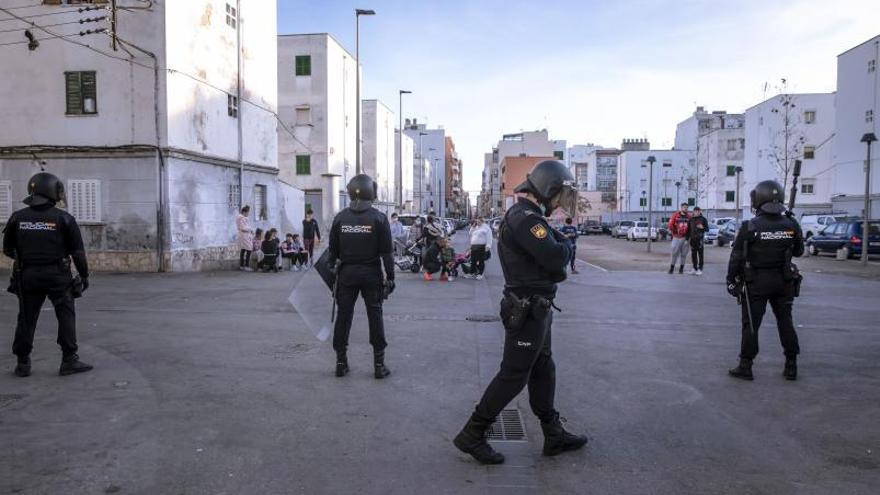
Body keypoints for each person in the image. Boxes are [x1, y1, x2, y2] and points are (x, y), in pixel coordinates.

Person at [453, 160, 587, 465]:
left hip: (536, 308)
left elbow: (551, 255)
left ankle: (553, 433)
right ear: (547, 190)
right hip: (527, 308)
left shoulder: (528, 216)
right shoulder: (527, 219)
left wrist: (559, 244)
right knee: (514, 376)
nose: (559, 204)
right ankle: (472, 433)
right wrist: (565, 244)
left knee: (543, 369)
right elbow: (556, 257)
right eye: (558, 196)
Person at [2, 172, 92, 377]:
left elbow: (7, 249)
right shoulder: (64, 218)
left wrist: (26, 257)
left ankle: (22, 363)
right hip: (57, 275)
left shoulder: (18, 217)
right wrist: (84, 275)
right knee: (66, 315)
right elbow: (77, 252)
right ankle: (69, 360)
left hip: (27, 274)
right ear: (53, 191)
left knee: (26, 317)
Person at [727, 180, 803, 381]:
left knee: (751, 325)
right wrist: (791, 229)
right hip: (784, 281)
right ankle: (791, 365)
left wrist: (731, 281)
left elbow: (736, 258)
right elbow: (799, 251)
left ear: (758, 199)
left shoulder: (750, 226)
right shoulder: (791, 224)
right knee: (785, 322)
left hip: (756, 282)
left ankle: (746, 365)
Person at [328, 174, 395, 379]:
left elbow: (332, 254)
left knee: (343, 317)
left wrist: (333, 277)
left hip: (347, 275)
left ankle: (341, 362)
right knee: (375, 317)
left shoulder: (340, 218)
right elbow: (387, 253)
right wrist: (391, 277)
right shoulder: (379, 218)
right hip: (371, 275)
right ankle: (378, 365)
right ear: (370, 191)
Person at [667, 203, 691, 274]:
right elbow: (670, 224)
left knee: (684, 254)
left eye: (686, 207)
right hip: (676, 237)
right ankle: (671, 268)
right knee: (674, 253)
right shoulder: (675, 215)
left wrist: (688, 238)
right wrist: (674, 232)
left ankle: (681, 269)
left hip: (685, 238)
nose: (685, 209)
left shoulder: (689, 217)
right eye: (684, 207)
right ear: (681, 208)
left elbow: (690, 228)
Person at [687, 207, 709, 275]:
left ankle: (700, 269)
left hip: (700, 240)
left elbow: (707, 229)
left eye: (698, 211)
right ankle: (694, 268)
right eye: (695, 211)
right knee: (693, 254)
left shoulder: (703, 219)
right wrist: (687, 239)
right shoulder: (691, 219)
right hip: (693, 239)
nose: (696, 212)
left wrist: (702, 227)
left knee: (700, 254)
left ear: (700, 211)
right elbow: (688, 230)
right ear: (693, 212)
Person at [236, 205, 254, 272]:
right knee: (249, 249)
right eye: (247, 212)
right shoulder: (242, 218)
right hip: (244, 235)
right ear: (244, 212)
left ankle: (241, 265)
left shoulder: (239, 218)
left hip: (242, 235)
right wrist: (250, 229)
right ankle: (246, 266)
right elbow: (243, 228)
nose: (248, 214)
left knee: (243, 249)